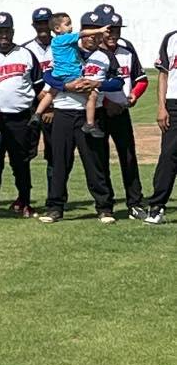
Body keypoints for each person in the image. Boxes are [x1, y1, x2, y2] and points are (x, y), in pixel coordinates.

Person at [38, 12, 121, 224]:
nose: (92, 37)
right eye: (89, 31)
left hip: (90, 114)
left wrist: (97, 85)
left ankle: (104, 207)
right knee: (60, 162)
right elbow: (47, 76)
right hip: (64, 112)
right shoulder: (62, 47)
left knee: (95, 162)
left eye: (97, 31)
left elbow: (117, 83)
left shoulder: (105, 56)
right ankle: (55, 207)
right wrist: (66, 86)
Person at [0, 12, 41, 218]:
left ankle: (25, 202)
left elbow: (38, 85)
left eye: (6, 30)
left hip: (20, 117)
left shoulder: (25, 54)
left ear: (12, 31)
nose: (3, 35)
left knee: (21, 163)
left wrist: (40, 111)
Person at [95, 7, 148, 220]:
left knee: (128, 157)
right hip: (98, 111)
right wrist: (107, 102)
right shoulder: (91, 53)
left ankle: (135, 203)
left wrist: (134, 96)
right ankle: (105, 206)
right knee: (100, 159)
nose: (113, 34)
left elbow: (141, 79)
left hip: (121, 112)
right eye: (109, 30)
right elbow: (89, 84)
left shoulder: (127, 49)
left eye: (116, 30)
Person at [31, 11, 106, 137]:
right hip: (71, 74)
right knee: (92, 95)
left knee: (51, 93)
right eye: (67, 24)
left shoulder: (54, 42)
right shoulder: (65, 38)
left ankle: (37, 114)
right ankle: (90, 124)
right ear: (57, 28)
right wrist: (99, 30)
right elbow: (82, 34)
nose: (71, 27)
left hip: (58, 74)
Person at [142, 26, 177, 224]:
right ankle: (157, 207)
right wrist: (161, 106)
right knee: (169, 155)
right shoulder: (171, 38)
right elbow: (163, 75)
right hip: (174, 103)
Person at [23, 6, 55, 196]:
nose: (43, 26)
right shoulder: (27, 48)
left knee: (54, 154)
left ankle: (55, 196)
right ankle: (24, 196)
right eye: (39, 23)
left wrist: (51, 106)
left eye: (46, 22)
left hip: (56, 106)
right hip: (33, 106)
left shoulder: (62, 46)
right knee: (26, 152)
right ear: (33, 25)